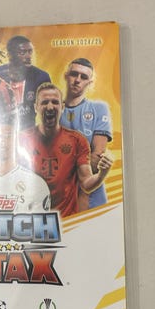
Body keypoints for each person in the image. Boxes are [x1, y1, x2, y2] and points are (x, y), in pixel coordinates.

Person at [18, 83, 113, 218]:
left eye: (55, 102)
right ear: (36, 107)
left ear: (62, 107)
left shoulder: (77, 141)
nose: (50, 107)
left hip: (66, 223)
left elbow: (86, 184)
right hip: (32, 221)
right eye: (44, 102)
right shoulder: (21, 140)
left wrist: (102, 174)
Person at [60, 58, 113, 210]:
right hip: (61, 200)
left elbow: (97, 156)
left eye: (83, 77)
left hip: (92, 199)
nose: (77, 80)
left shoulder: (99, 108)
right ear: (66, 75)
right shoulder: (52, 109)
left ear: (89, 83)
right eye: (74, 74)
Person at [0, 35, 51, 130]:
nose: (28, 56)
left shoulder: (41, 77)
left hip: (29, 132)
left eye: (30, 52)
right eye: (22, 53)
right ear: (9, 55)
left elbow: (48, 108)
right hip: (1, 131)